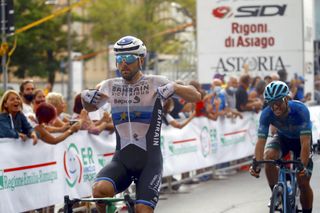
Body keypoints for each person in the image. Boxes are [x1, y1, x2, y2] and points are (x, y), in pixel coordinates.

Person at [81, 35, 201, 213]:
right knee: (99, 190)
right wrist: (85, 99)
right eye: (120, 59)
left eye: (129, 58)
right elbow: (89, 107)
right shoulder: (109, 85)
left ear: (141, 60)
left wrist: (175, 87)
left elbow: (196, 96)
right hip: (122, 160)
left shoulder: (155, 82)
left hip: (149, 162)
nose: (124, 64)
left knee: (142, 210)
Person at [249, 81, 313, 213]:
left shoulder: (301, 110)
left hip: (300, 141)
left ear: (287, 99)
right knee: (269, 156)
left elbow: (305, 144)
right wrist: (256, 163)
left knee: (303, 181)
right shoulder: (266, 114)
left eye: (278, 101)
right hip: (283, 138)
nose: (275, 106)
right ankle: (276, 193)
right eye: (271, 102)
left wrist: (302, 166)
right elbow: (261, 142)